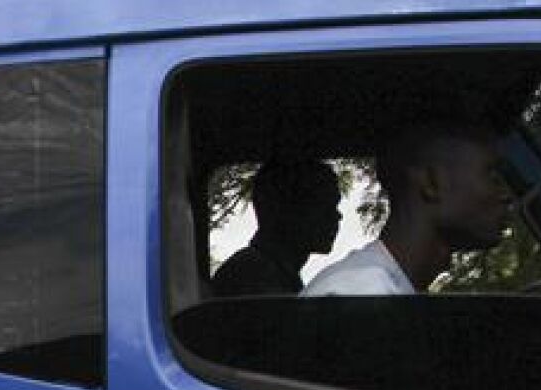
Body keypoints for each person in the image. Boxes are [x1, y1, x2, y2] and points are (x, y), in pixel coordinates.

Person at [303, 119, 510, 296]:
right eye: (492, 177)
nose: (505, 195)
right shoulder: (366, 292)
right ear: (432, 182)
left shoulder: (379, 289)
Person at [211, 159, 342, 296]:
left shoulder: (270, 272)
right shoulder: (255, 278)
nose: (337, 216)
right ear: (287, 209)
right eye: (324, 205)